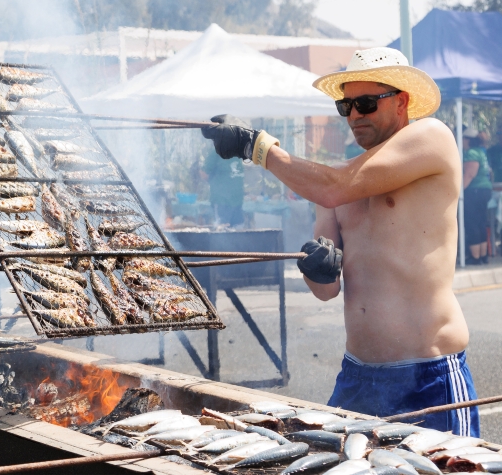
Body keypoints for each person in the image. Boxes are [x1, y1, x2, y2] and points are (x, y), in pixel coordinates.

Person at [201, 47, 477, 435]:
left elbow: (334, 187)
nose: (354, 116)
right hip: (358, 377)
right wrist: (317, 269)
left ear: (401, 102)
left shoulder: (432, 137)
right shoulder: (333, 180)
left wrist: (256, 146)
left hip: (428, 375)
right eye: (346, 106)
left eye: (366, 104)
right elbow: (326, 291)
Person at [462, 126, 492, 263]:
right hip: (484, 190)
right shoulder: (481, 152)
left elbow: (470, 174)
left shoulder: (471, 153)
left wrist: (459, 191)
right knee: (481, 222)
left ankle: (475, 257)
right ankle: (482, 256)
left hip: (475, 191)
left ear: (467, 140)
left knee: (472, 222)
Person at [202, 148, 245, 227]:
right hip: (222, 202)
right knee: (222, 230)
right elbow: (204, 174)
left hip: (237, 202)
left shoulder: (237, 152)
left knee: (239, 229)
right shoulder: (216, 153)